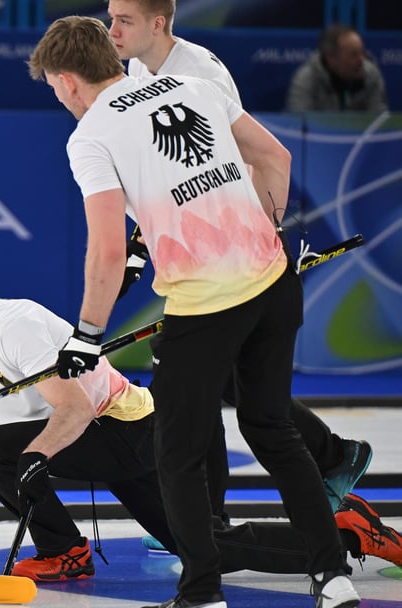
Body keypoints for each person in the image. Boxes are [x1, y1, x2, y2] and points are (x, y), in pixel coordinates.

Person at [0, 243, 402, 593]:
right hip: (102, 440)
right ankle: (345, 535)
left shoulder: (13, 327)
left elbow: (78, 407)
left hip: (126, 427)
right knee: (206, 550)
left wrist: (37, 457)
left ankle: (63, 551)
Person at [29, 16, 359, 608]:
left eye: (53, 88)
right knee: (273, 430)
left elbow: (103, 250)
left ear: (69, 81)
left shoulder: (90, 136)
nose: (59, 99)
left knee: (175, 452)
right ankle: (332, 576)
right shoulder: (190, 86)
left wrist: (87, 335)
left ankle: (202, 598)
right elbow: (275, 157)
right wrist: (266, 231)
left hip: (205, 306)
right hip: (274, 284)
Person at [106, 0, 372, 539]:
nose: (111, 31)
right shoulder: (138, 69)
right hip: (194, 255)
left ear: (158, 23)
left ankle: (211, 514)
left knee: (203, 382)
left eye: (123, 20)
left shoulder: (200, 72)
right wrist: (140, 241)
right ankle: (320, 460)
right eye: (110, 18)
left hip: (232, 258)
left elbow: (243, 162)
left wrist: (263, 241)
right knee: (220, 381)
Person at [286, 23, 388, 113]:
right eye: (353, 55)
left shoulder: (371, 74)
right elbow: (298, 124)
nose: (361, 60)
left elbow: (380, 122)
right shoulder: (306, 78)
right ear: (331, 58)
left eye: (361, 52)